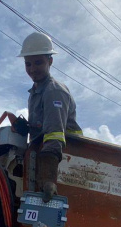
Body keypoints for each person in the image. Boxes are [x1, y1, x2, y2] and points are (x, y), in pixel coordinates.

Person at [19, 32, 81, 201]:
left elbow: (54, 135)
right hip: (42, 155)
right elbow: (41, 130)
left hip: (65, 160)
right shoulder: (35, 93)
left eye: (38, 62)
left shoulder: (54, 91)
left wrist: (48, 177)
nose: (32, 69)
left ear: (50, 61)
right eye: (28, 64)